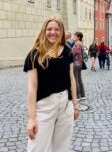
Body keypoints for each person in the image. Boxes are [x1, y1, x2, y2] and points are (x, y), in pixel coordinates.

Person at [24, 18, 79, 152]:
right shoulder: (34, 55)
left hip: (65, 105)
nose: (53, 32)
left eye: (56, 29)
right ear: (44, 31)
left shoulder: (67, 51)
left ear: (61, 32)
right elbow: (32, 88)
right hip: (44, 107)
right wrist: (31, 119)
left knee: (62, 147)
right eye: (49, 29)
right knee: (37, 147)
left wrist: (75, 105)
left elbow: (72, 79)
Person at [72, 31, 86, 100]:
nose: (73, 37)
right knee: (80, 79)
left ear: (78, 37)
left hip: (75, 64)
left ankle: (77, 96)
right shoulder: (81, 44)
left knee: (75, 80)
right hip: (80, 63)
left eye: (75, 36)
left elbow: (72, 53)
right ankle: (83, 95)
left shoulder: (77, 44)